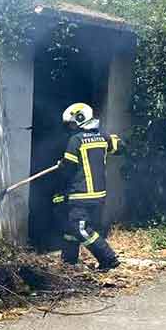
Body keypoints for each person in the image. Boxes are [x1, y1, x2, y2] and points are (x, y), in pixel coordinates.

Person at [52, 102, 121, 271]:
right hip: (98, 194)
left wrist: (62, 165)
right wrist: (113, 139)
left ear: (81, 119)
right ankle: (68, 262)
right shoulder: (103, 137)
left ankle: (108, 258)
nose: (71, 127)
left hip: (81, 194)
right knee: (71, 227)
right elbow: (120, 147)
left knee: (80, 228)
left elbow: (68, 170)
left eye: (72, 123)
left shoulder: (75, 140)